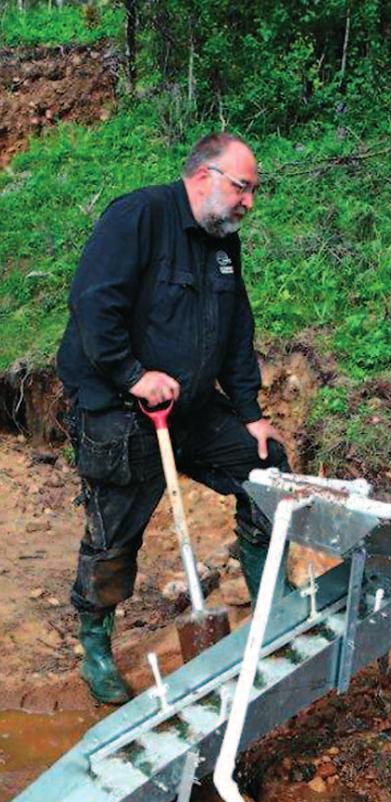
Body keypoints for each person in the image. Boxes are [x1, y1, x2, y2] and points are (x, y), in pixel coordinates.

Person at [57, 132, 288, 704]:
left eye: (253, 191)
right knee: (114, 536)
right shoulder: (138, 218)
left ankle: (273, 615)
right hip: (119, 409)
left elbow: (236, 332)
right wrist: (134, 375)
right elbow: (93, 305)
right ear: (204, 175)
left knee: (265, 470)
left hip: (190, 409)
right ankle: (97, 647)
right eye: (243, 187)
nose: (248, 203)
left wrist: (251, 413)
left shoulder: (221, 242)